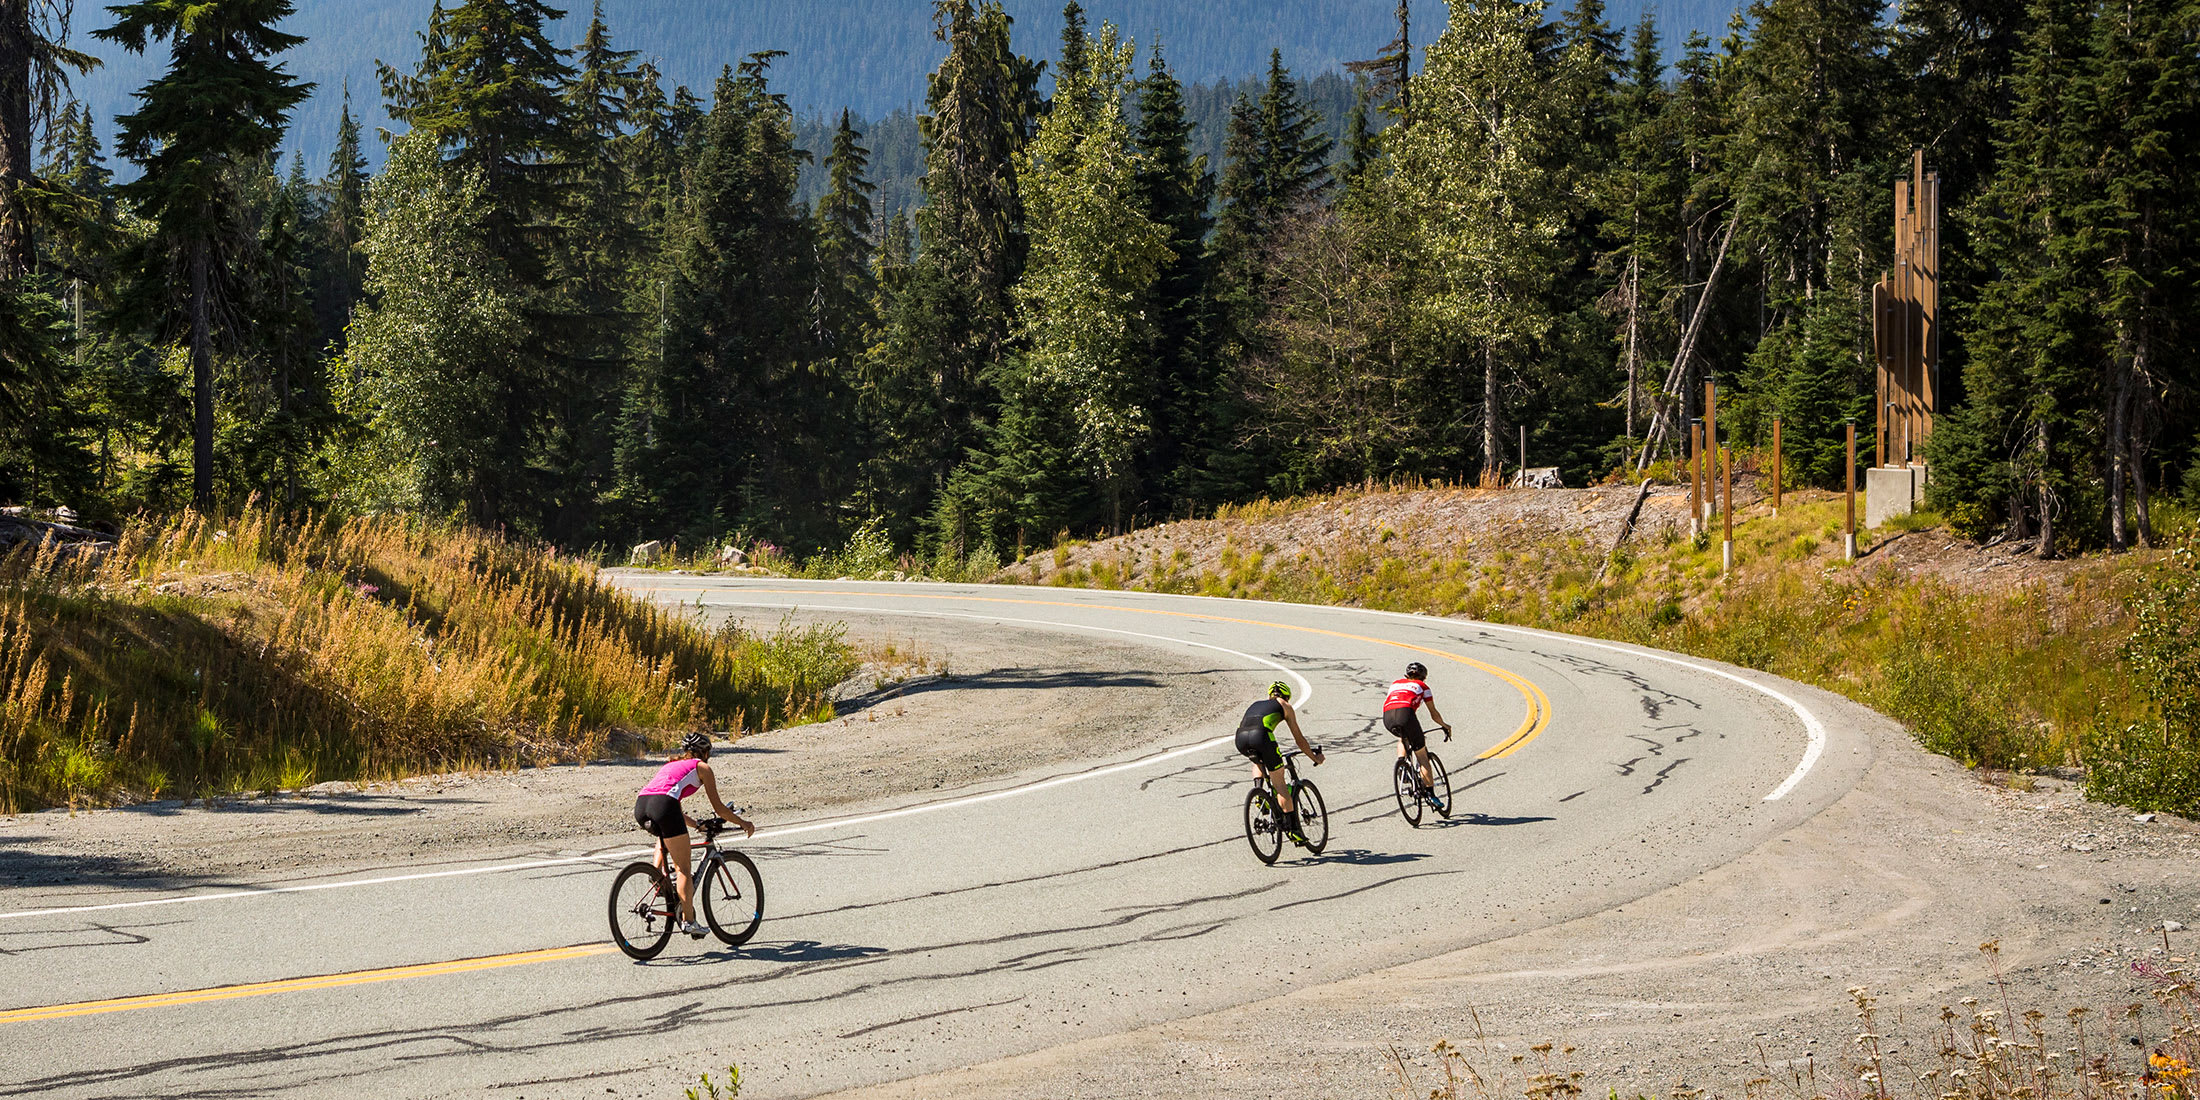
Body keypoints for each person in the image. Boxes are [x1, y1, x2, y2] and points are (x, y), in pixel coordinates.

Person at [634, 731, 755, 937]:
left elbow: (672, 809)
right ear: (705, 753)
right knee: (683, 868)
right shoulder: (702, 768)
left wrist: (697, 824)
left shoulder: (670, 765)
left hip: (642, 805)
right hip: (664, 806)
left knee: (664, 835)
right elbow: (719, 808)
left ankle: (657, 877)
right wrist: (744, 823)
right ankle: (689, 921)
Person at [1235, 681, 1324, 843]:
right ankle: (1294, 831)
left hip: (1240, 738)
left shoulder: (1256, 704)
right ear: (1287, 697)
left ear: (1269, 695)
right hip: (1261, 736)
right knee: (1280, 783)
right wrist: (1314, 757)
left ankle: (1259, 793)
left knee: (1258, 761)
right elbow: (1299, 739)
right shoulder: (1285, 705)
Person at [1383, 661, 1450, 812]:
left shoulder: (1395, 684)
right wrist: (1445, 725)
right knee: (1422, 756)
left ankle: (1402, 765)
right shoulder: (1423, 686)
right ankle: (1431, 794)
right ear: (1423, 678)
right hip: (1406, 715)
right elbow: (1433, 713)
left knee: (1403, 737)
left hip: (1387, 717)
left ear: (1406, 675)